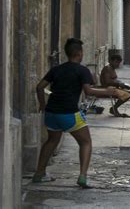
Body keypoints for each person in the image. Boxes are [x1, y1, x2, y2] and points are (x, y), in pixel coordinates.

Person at [33, 38, 118, 188]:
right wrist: (108, 91)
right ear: (79, 53)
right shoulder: (82, 70)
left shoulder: (56, 69)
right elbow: (89, 91)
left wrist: (42, 104)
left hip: (51, 113)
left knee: (51, 141)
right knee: (85, 142)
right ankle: (82, 176)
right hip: (69, 113)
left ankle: (39, 174)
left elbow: (40, 87)